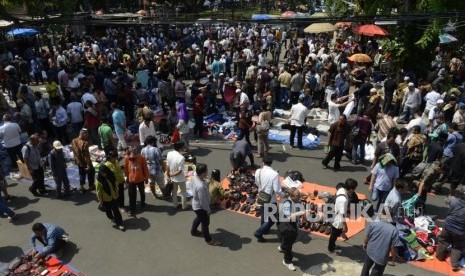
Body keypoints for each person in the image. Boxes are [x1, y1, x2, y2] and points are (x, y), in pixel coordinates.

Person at [191, 163, 222, 246]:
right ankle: (209, 240)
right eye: (206, 171)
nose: (208, 172)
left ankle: (193, 231)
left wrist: (208, 179)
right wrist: (208, 210)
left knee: (199, 218)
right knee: (205, 223)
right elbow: (203, 201)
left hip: (195, 204)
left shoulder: (195, 176)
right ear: (203, 173)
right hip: (201, 207)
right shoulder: (200, 187)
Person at [278, 187, 308, 271]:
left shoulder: (297, 201)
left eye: (299, 194)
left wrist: (304, 216)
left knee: (287, 240)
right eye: (297, 195)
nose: (300, 196)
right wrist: (300, 213)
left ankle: (282, 247)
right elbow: (288, 217)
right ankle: (287, 261)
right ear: (292, 196)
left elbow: (301, 209)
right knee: (289, 243)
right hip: (286, 224)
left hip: (292, 224)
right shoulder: (287, 203)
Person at [254, 155, 282, 243]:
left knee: (264, 215)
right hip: (270, 199)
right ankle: (259, 232)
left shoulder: (258, 171)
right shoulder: (275, 174)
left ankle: (264, 230)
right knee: (273, 218)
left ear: (263, 162)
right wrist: (284, 195)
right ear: (271, 163)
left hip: (261, 196)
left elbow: (257, 183)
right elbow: (277, 190)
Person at [436, 190, 465, 272]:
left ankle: (439, 256)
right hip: (460, 231)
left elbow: (446, 200)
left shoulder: (454, 201)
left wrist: (449, 196)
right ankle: (455, 264)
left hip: (448, 226)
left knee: (443, 241)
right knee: (457, 247)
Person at [328, 178, 358, 254]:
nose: (354, 191)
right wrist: (345, 225)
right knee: (334, 235)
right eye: (354, 189)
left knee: (335, 233)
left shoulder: (341, 190)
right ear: (351, 189)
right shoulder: (343, 200)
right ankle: (331, 248)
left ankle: (333, 244)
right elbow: (342, 215)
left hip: (336, 213)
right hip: (338, 220)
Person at [96, 163, 126, 231]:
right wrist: (100, 201)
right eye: (102, 173)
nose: (104, 174)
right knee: (108, 211)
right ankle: (111, 217)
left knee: (116, 210)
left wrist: (117, 192)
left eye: (104, 173)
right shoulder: (99, 181)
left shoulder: (111, 176)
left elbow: (115, 184)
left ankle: (119, 223)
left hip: (113, 197)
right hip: (105, 199)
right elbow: (99, 192)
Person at [124, 146, 149, 216]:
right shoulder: (126, 158)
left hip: (140, 179)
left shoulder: (141, 158)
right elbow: (126, 168)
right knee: (132, 195)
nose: (132, 158)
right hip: (131, 179)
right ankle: (132, 209)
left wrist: (146, 178)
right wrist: (126, 177)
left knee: (142, 192)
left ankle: (143, 203)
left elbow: (145, 168)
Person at [71, 129, 95, 193]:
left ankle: (82, 187)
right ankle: (91, 186)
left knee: (82, 174)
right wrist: (88, 165)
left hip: (78, 161)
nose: (87, 136)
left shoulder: (74, 140)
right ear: (83, 134)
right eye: (86, 134)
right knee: (91, 172)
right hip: (85, 162)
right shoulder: (84, 143)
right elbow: (86, 156)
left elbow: (73, 150)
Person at [166, 141, 188, 210]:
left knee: (174, 191)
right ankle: (184, 206)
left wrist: (168, 174)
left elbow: (167, 165)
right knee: (183, 192)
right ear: (180, 148)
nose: (184, 147)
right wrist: (171, 174)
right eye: (183, 146)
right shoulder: (181, 158)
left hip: (173, 178)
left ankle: (175, 205)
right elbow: (179, 171)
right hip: (180, 178)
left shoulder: (169, 153)